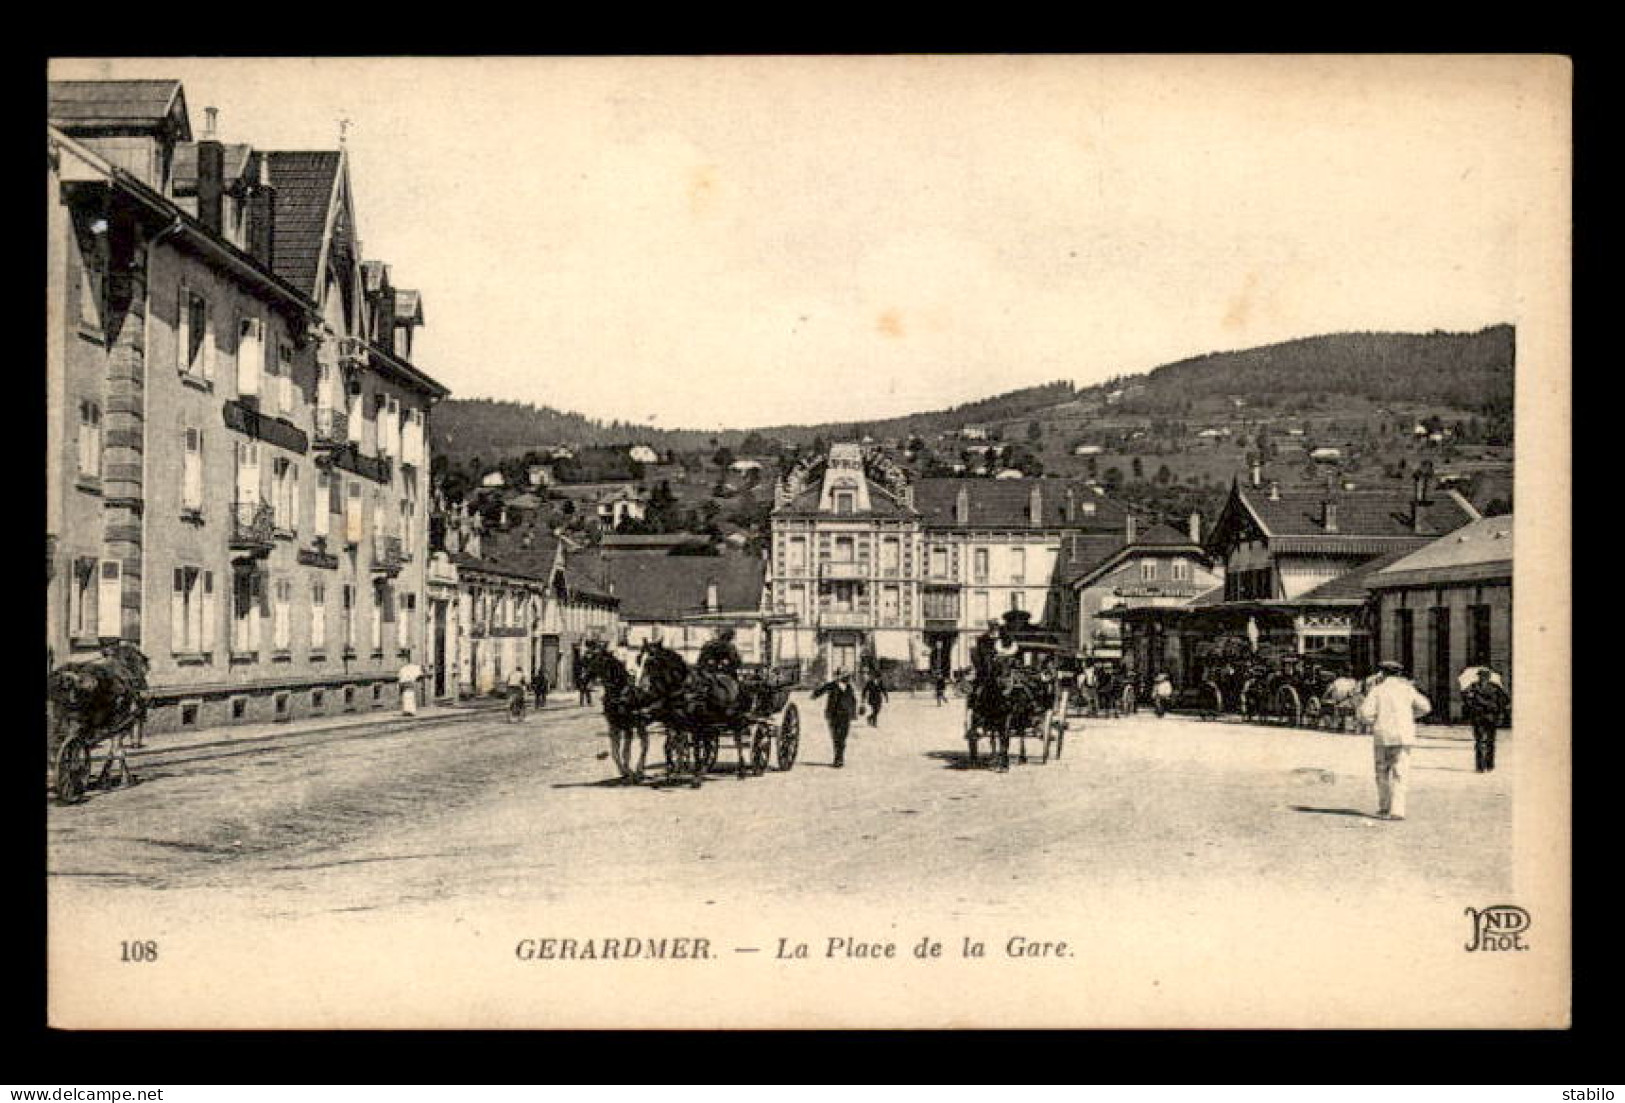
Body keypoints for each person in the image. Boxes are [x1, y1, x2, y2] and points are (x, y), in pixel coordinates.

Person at [1358, 661, 1432, 821]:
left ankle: (1385, 807)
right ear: (1399, 674)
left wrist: (1374, 721)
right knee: (1401, 773)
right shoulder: (1408, 689)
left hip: (1383, 735)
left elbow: (1365, 714)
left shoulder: (1377, 690)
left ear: (1382, 673)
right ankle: (1398, 810)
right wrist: (1411, 716)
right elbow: (1426, 707)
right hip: (1404, 736)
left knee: (1382, 773)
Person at [1461, 668, 1511, 773]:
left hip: (1490, 717)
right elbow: (1465, 697)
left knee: (1489, 742)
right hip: (1480, 717)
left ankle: (1488, 765)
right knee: (1481, 742)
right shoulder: (1475, 687)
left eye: (1484, 676)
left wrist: (1496, 707)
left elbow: (1505, 700)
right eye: (1481, 676)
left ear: (1488, 677)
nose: (1482, 678)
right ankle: (1482, 766)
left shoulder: (1492, 687)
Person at [812, 671, 858, 768]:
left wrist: (853, 714)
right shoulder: (832, 685)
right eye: (846, 676)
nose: (848, 679)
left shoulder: (849, 688)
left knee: (843, 737)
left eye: (848, 677)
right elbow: (821, 690)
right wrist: (814, 695)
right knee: (836, 737)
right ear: (840, 677)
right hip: (834, 715)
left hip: (846, 715)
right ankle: (838, 758)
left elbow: (853, 701)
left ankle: (840, 758)